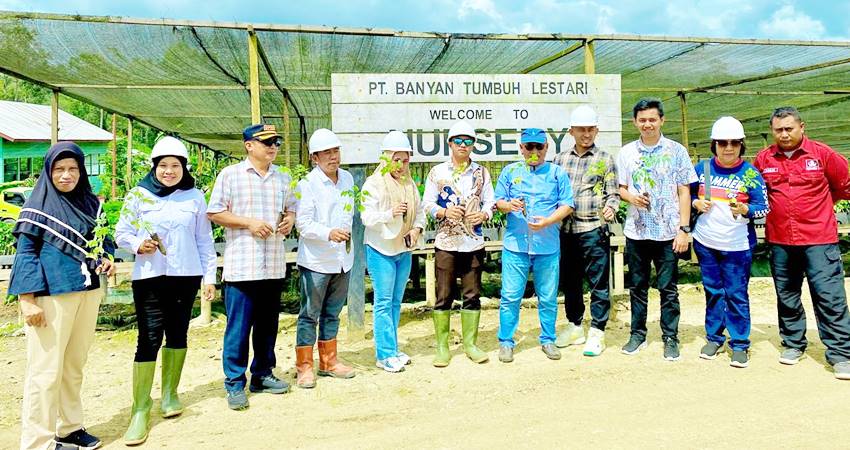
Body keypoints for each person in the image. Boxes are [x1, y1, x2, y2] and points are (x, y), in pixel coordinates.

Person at [11, 142, 116, 450]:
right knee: (45, 371)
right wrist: (27, 299)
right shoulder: (37, 207)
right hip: (51, 296)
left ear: (81, 171)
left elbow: (102, 240)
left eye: (73, 169)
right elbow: (26, 255)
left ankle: (69, 428)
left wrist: (108, 256)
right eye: (59, 169)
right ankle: (37, 441)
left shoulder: (90, 204)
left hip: (87, 292)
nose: (66, 175)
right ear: (48, 172)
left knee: (73, 366)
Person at [115, 136, 217, 444]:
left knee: (178, 333)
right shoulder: (138, 195)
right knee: (148, 337)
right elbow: (122, 232)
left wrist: (209, 276)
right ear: (154, 167)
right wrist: (137, 244)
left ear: (183, 168)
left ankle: (170, 394)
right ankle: (140, 408)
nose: (169, 172)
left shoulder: (195, 197)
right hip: (150, 275)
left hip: (185, 275)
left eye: (175, 166)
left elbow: (204, 240)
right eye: (163, 166)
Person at [754, 106, 850, 380]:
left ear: (801, 127)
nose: (783, 135)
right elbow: (756, 192)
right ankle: (793, 343)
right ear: (772, 131)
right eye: (778, 130)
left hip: (819, 239)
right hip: (781, 239)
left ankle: (841, 354)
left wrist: (821, 208)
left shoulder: (823, 155)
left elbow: (844, 186)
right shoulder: (764, 159)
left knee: (829, 296)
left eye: (788, 129)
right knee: (787, 295)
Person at [207, 124, 296, 410]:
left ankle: (262, 374)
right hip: (242, 264)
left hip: (272, 263)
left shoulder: (283, 177)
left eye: (276, 142)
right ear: (249, 146)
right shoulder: (230, 175)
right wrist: (249, 223)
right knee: (238, 328)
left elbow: (292, 206)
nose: (273, 147)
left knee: (268, 326)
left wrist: (289, 220)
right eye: (266, 142)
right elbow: (215, 212)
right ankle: (234, 382)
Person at [616, 98, 697, 361]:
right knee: (637, 286)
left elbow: (685, 191)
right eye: (642, 120)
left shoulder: (676, 151)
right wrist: (632, 199)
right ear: (635, 122)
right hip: (637, 232)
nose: (647, 124)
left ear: (662, 120)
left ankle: (670, 337)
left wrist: (684, 229)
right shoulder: (627, 152)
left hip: (668, 233)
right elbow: (621, 188)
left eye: (652, 119)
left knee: (668, 288)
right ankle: (637, 334)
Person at [691, 117, 769, 369]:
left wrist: (746, 209)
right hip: (706, 242)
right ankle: (714, 337)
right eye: (722, 143)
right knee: (713, 292)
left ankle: (739, 343)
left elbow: (764, 208)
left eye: (734, 143)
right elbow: (687, 195)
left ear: (741, 145)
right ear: (714, 144)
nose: (728, 148)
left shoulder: (750, 174)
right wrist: (695, 203)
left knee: (736, 294)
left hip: (737, 246)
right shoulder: (702, 169)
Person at [494, 128, 574, 363]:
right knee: (510, 296)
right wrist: (509, 205)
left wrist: (549, 220)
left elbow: (567, 205)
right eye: (529, 146)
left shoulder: (557, 173)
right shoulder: (511, 172)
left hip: (547, 246)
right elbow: (498, 201)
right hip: (516, 246)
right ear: (521, 148)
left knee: (548, 297)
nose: (534, 151)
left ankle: (547, 339)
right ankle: (506, 342)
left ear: (547, 148)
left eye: (539, 146)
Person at [421, 120, 496, 367]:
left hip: (473, 242)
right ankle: (442, 347)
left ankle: (470, 344)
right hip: (446, 242)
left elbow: (490, 203)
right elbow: (428, 204)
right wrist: (444, 213)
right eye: (459, 141)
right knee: (443, 295)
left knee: (472, 294)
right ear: (450, 143)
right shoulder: (437, 172)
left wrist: (483, 215)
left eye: (469, 141)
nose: (464, 145)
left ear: (474, 145)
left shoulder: (482, 172)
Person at [553, 105, 619, 356]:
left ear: (596, 130)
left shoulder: (604, 159)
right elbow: (554, 192)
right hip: (566, 230)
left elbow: (613, 193)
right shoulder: (560, 159)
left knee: (598, 283)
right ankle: (575, 326)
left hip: (592, 228)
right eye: (581, 129)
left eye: (590, 129)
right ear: (571, 131)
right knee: (570, 281)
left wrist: (611, 208)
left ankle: (598, 332)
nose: (586, 134)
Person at [294, 128, 357, 388]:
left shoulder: (348, 180)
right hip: (316, 261)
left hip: (343, 259)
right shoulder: (307, 185)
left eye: (335, 151)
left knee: (333, 312)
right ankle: (304, 367)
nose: (333, 157)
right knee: (309, 314)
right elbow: (303, 224)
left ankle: (329, 361)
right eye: (326, 153)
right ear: (314, 158)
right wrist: (328, 233)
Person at [362, 131, 425, 373]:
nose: (400, 165)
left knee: (396, 301)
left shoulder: (409, 184)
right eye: (395, 159)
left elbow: (419, 213)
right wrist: (390, 213)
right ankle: (384, 354)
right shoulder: (373, 183)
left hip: (404, 249)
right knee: (383, 302)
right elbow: (366, 217)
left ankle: (393, 348)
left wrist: (417, 229)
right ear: (386, 158)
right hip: (381, 250)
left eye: (405, 160)